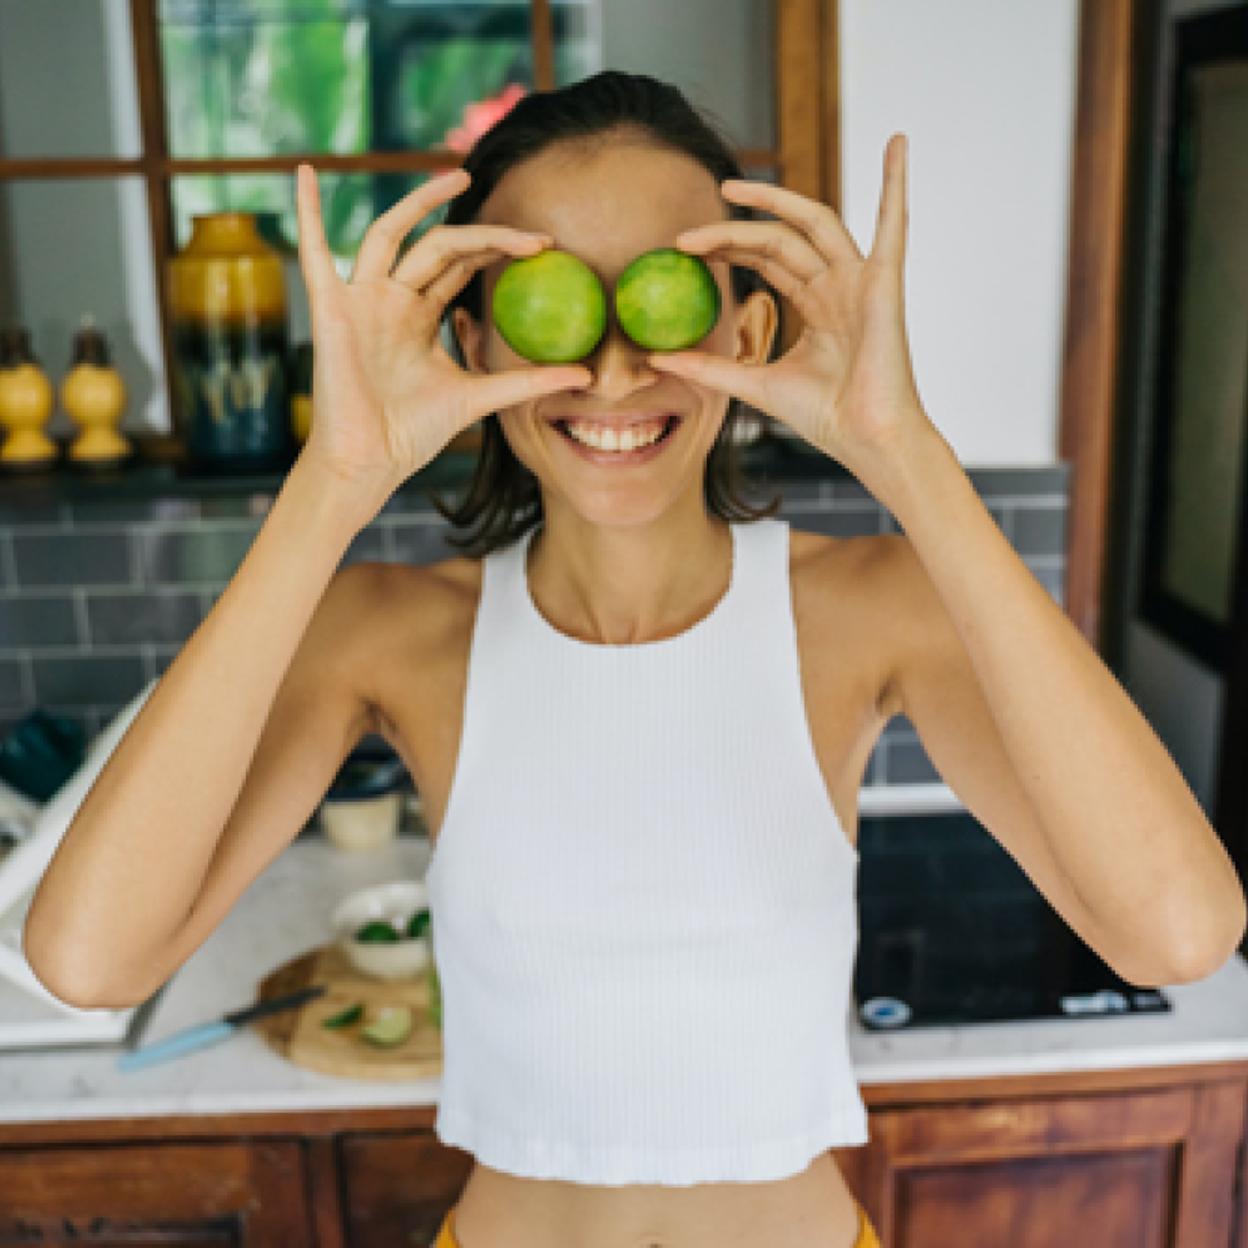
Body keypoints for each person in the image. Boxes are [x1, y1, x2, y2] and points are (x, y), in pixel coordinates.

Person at [24, 70, 1245, 1248]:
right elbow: (90, 958)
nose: (614, 371)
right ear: (473, 343)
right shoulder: (387, 633)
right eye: (552, 303)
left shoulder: (873, 609)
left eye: (661, 298)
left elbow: (1179, 934)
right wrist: (333, 480)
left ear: (747, 328)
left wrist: (903, 449)